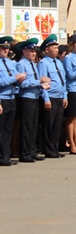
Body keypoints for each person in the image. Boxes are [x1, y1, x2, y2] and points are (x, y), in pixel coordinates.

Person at [16, 38, 50, 161]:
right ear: (24, 51)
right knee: (27, 127)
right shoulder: (21, 64)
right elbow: (22, 84)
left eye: (35, 51)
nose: (33, 53)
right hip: (27, 98)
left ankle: (32, 151)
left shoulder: (33, 64)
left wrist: (42, 85)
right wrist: (39, 81)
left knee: (34, 126)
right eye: (31, 51)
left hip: (35, 97)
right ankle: (25, 153)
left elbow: (35, 82)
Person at [37, 34, 68, 158]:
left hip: (60, 96)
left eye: (57, 47)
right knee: (48, 124)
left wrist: (65, 96)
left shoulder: (59, 63)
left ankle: (54, 148)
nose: (56, 50)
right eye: (54, 48)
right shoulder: (43, 63)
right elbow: (43, 82)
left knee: (57, 125)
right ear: (46, 50)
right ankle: (48, 149)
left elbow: (63, 80)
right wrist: (46, 99)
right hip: (50, 96)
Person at [0, 36, 26, 166]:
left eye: (7, 48)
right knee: (1, 129)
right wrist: (14, 79)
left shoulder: (10, 63)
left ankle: (6, 156)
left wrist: (19, 80)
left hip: (11, 97)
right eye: (3, 48)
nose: (6, 50)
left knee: (8, 129)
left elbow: (16, 80)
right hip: (2, 98)